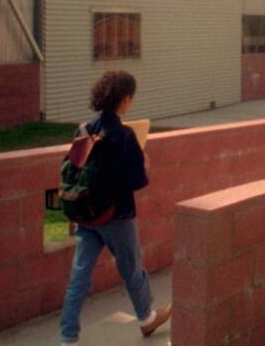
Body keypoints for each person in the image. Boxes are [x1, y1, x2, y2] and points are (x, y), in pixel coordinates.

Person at [60, 71, 171, 345]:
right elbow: (135, 180)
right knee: (132, 268)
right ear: (123, 100)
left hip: (85, 214)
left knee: (79, 276)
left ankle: (68, 337)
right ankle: (146, 318)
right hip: (116, 215)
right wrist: (142, 163)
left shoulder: (84, 129)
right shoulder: (124, 135)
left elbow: (75, 168)